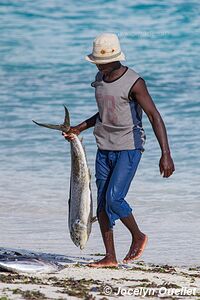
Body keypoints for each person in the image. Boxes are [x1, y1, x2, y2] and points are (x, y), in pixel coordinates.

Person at [62, 33, 175, 268]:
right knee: (103, 203)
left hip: (129, 148)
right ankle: (110, 257)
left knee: (114, 198)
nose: (97, 65)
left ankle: (138, 235)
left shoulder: (135, 82)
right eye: (96, 62)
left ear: (114, 59)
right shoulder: (100, 79)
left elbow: (154, 116)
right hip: (103, 147)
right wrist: (79, 128)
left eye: (99, 62)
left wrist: (166, 153)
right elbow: (105, 113)